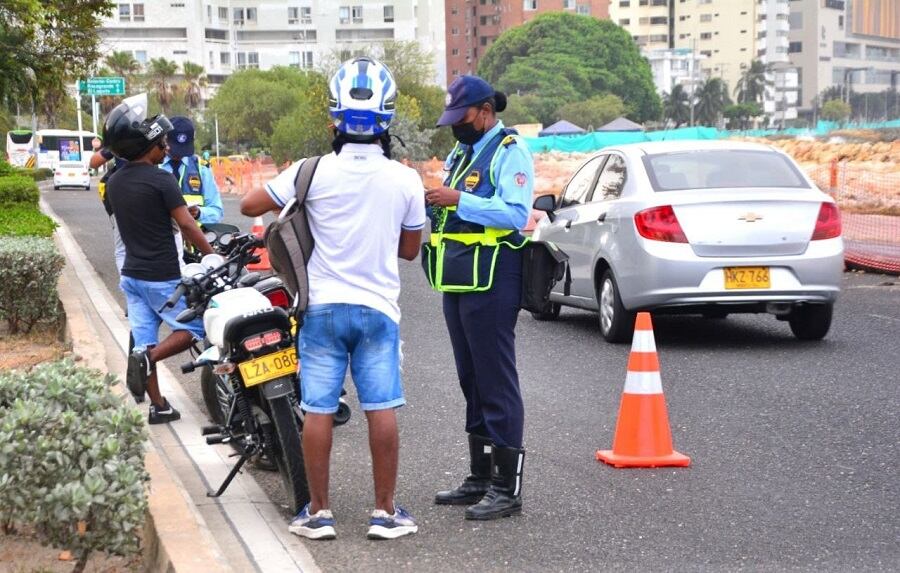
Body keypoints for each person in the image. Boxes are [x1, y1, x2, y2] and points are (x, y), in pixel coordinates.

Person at [240, 57, 425, 541]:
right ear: (387, 118)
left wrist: (299, 199)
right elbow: (410, 250)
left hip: (321, 309)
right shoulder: (405, 179)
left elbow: (249, 205)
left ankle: (318, 514)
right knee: (381, 407)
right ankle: (385, 513)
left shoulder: (312, 171)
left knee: (319, 410)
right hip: (378, 310)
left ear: (334, 119)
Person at [424, 75, 534, 520]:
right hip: (459, 276)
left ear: (485, 112)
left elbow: (515, 213)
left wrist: (458, 199)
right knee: (470, 377)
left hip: (494, 276)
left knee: (495, 379)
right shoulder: (462, 152)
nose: (457, 126)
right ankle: (481, 476)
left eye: (462, 117)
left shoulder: (510, 150)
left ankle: (507, 487)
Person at [102, 95, 214, 424]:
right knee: (194, 328)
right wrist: (212, 255)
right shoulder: (162, 179)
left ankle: (159, 406)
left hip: (131, 276)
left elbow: (143, 216)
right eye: (161, 143)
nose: (166, 147)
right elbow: (187, 225)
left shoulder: (114, 182)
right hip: (162, 275)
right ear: (145, 146)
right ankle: (148, 360)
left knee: (143, 341)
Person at [160, 116, 224, 226]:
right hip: (163, 235)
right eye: (175, 148)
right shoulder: (154, 165)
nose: (179, 154)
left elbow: (217, 212)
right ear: (165, 140)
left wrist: (199, 213)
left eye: (184, 149)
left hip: (193, 236)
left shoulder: (201, 168)